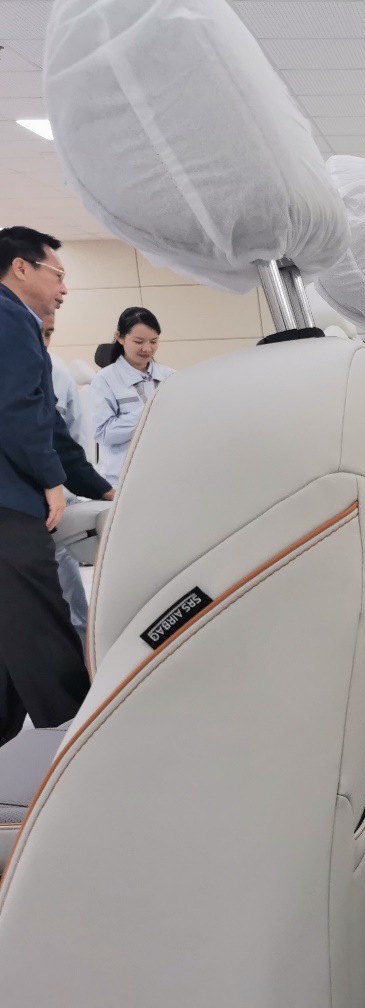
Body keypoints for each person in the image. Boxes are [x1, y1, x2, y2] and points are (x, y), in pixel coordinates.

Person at [0, 226, 115, 746]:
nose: (64, 288)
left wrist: (104, 489)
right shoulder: (9, 317)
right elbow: (17, 412)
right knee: (44, 630)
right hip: (9, 507)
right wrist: (51, 482)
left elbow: (50, 429)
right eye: (58, 274)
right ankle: (85, 746)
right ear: (21, 268)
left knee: (14, 637)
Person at [42, 311, 97, 641]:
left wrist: (73, 490)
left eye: (48, 333)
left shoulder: (57, 371)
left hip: (55, 501)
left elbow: (74, 439)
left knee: (69, 593)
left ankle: (83, 651)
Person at [92, 306, 173, 486]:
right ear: (120, 337)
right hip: (124, 478)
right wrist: (150, 410)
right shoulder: (104, 380)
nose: (147, 348)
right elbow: (103, 433)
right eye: (138, 341)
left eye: (154, 341)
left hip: (167, 472)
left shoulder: (170, 377)